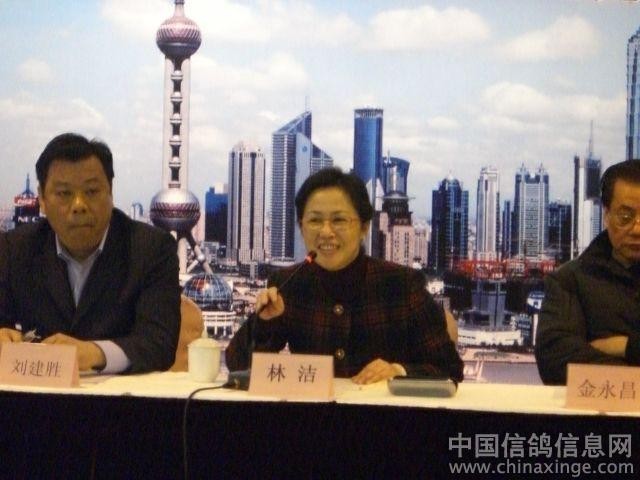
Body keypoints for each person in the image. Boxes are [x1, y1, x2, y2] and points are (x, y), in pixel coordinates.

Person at [226, 167, 463, 384]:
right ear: (301, 226)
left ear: (364, 227)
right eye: (315, 220)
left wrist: (398, 371)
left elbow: (449, 368)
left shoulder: (402, 284)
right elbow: (237, 364)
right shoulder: (288, 284)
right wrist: (265, 323)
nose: (326, 232)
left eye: (339, 220)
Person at [0, 133, 180, 373]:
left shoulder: (151, 249)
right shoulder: (15, 249)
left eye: (92, 191)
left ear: (110, 191)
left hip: (120, 395)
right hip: (36, 393)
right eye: (64, 193)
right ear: (42, 199)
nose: (79, 205)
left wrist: (95, 353)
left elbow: (159, 345)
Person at [536, 159, 640, 384]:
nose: (637, 229)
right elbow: (555, 359)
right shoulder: (570, 280)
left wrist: (626, 347)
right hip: (603, 407)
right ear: (606, 215)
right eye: (626, 217)